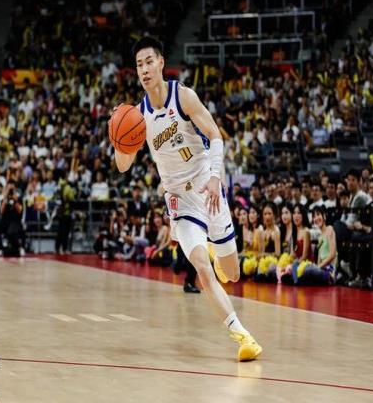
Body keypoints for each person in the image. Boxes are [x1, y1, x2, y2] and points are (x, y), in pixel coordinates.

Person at [111, 36, 261, 361]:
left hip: (208, 187)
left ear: (161, 63)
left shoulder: (184, 96)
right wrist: (118, 140)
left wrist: (216, 176)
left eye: (149, 62)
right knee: (202, 270)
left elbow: (215, 134)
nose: (144, 70)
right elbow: (123, 166)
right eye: (139, 65)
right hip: (179, 199)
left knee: (232, 273)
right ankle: (243, 337)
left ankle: (218, 252)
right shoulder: (138, 117)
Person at [0, 182, 26, 256]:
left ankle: (20, 247)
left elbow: (20, 210)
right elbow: (1, 211)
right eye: (9, 189)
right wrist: (5, 199)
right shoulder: (4, 199)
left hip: (15, 221)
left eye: (11, 189)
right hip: (5, 221)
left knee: (10, 231)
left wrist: (15, 200)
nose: (10, 191)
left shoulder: (18, 198)